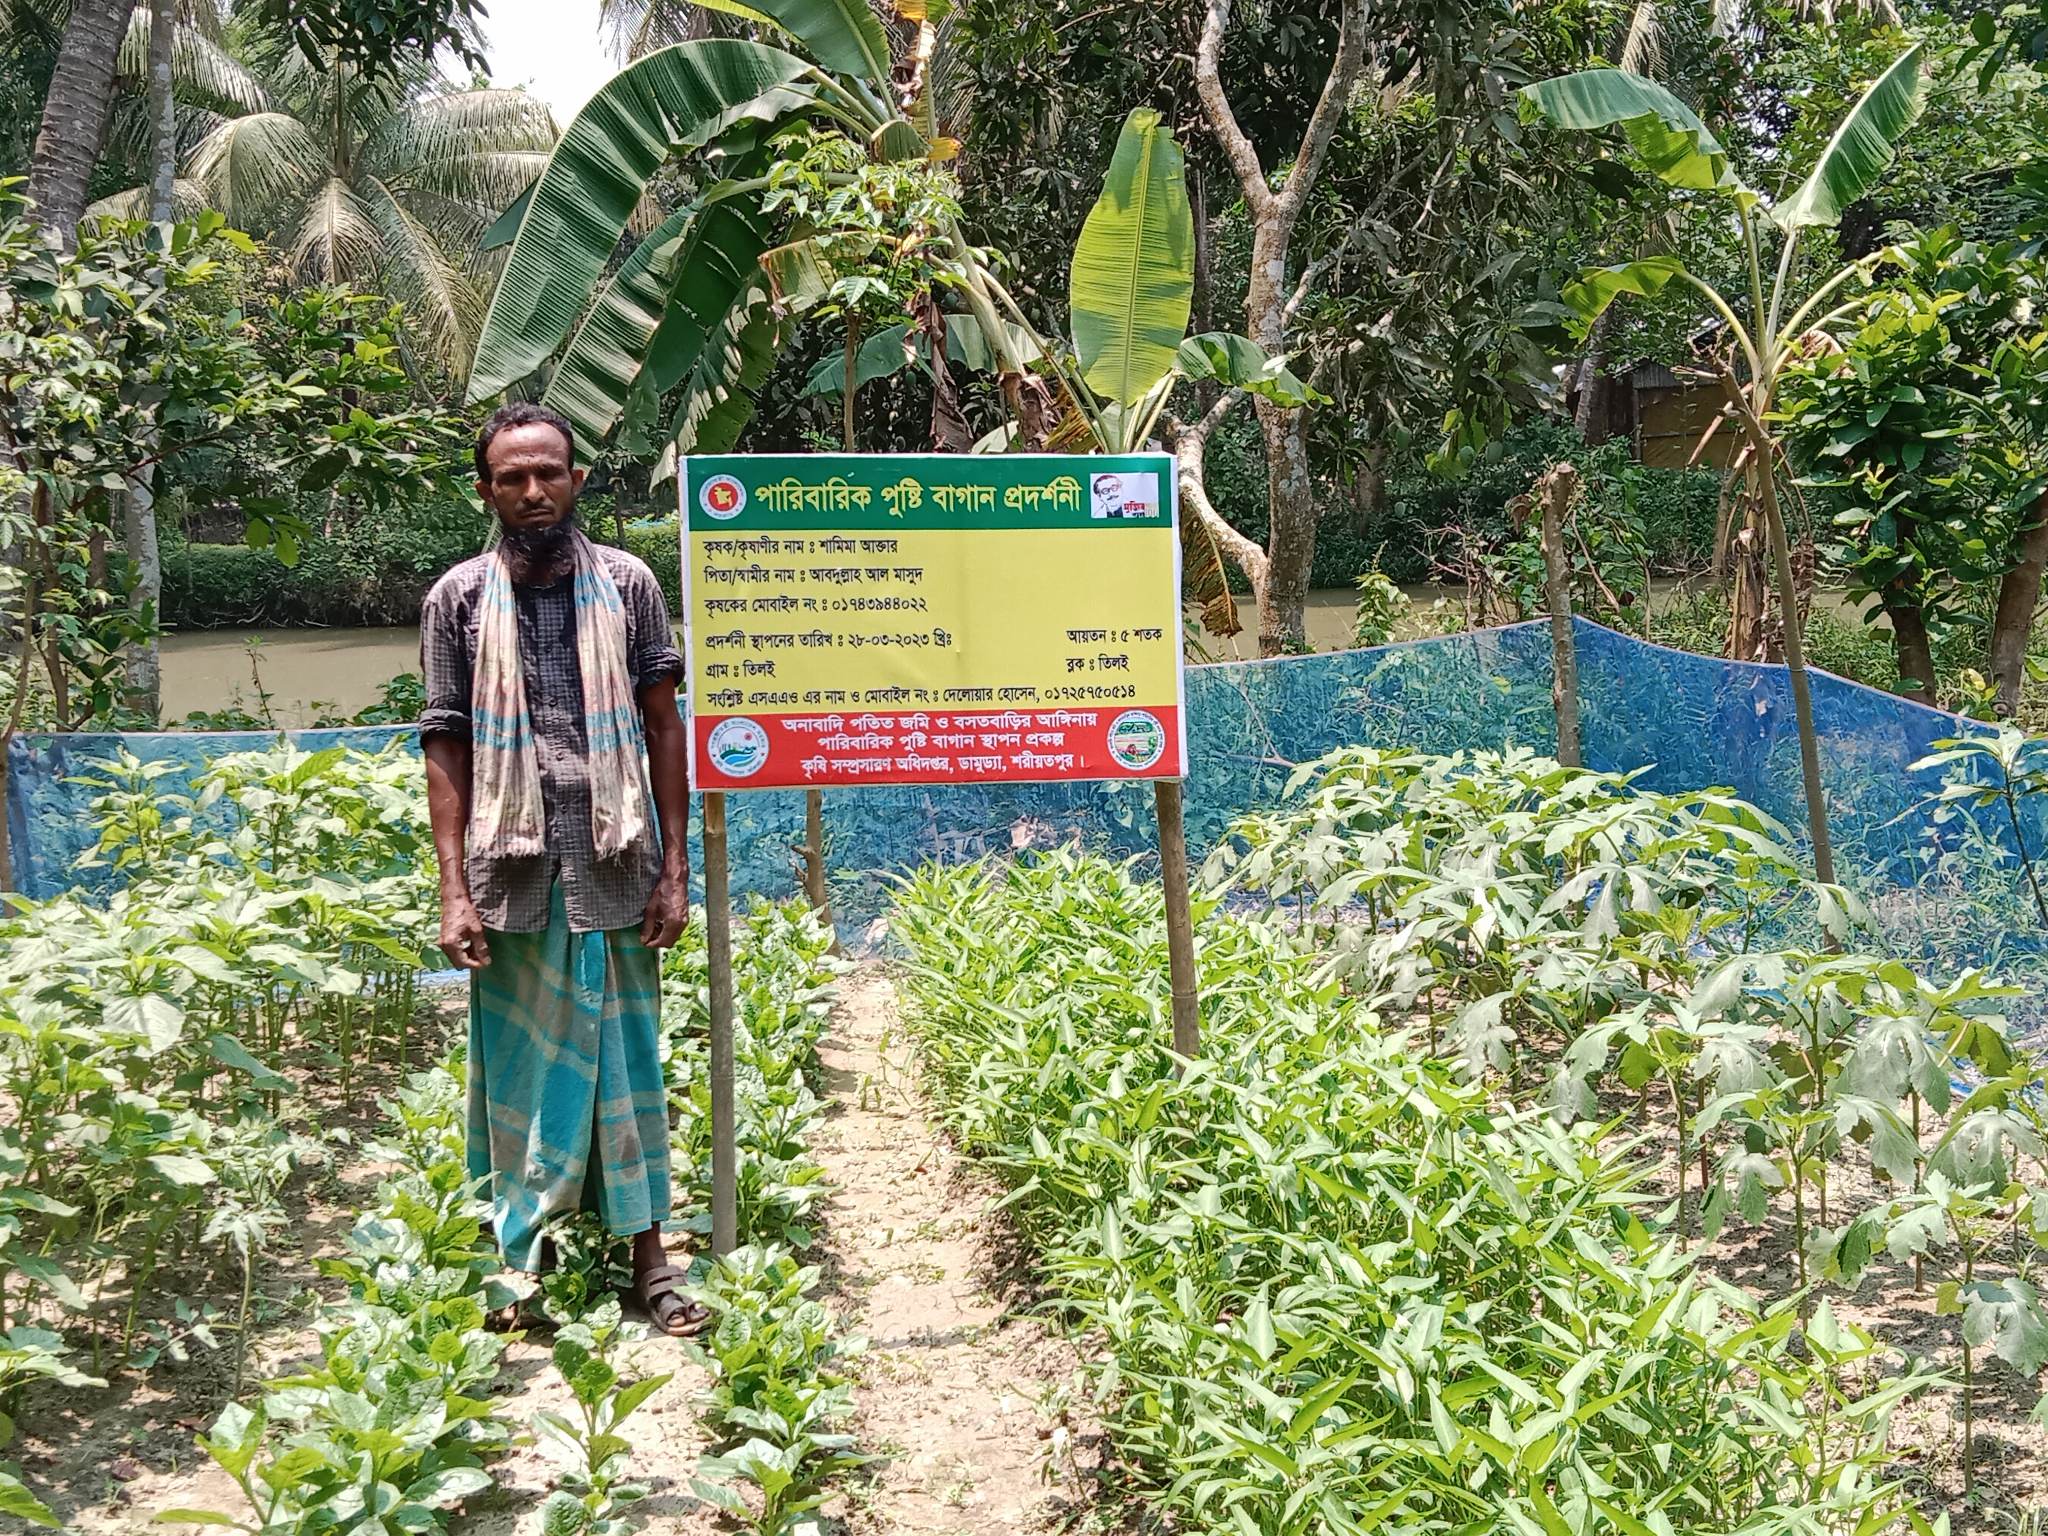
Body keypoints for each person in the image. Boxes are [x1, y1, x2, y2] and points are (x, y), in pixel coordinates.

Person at [417, 401, 705, 1336]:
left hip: (617, 863)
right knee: (517, 1069)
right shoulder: (458, 599)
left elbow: (663, 727)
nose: (534, 491)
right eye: (514, 478)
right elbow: (446, 745)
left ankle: (650, 1260)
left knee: (626, 1063)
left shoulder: (628, 584)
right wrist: (453, 891)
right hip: (511, 873)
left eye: (550, 473)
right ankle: (519, 1261)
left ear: (578, 480)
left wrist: (675, 869)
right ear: (486, 490)